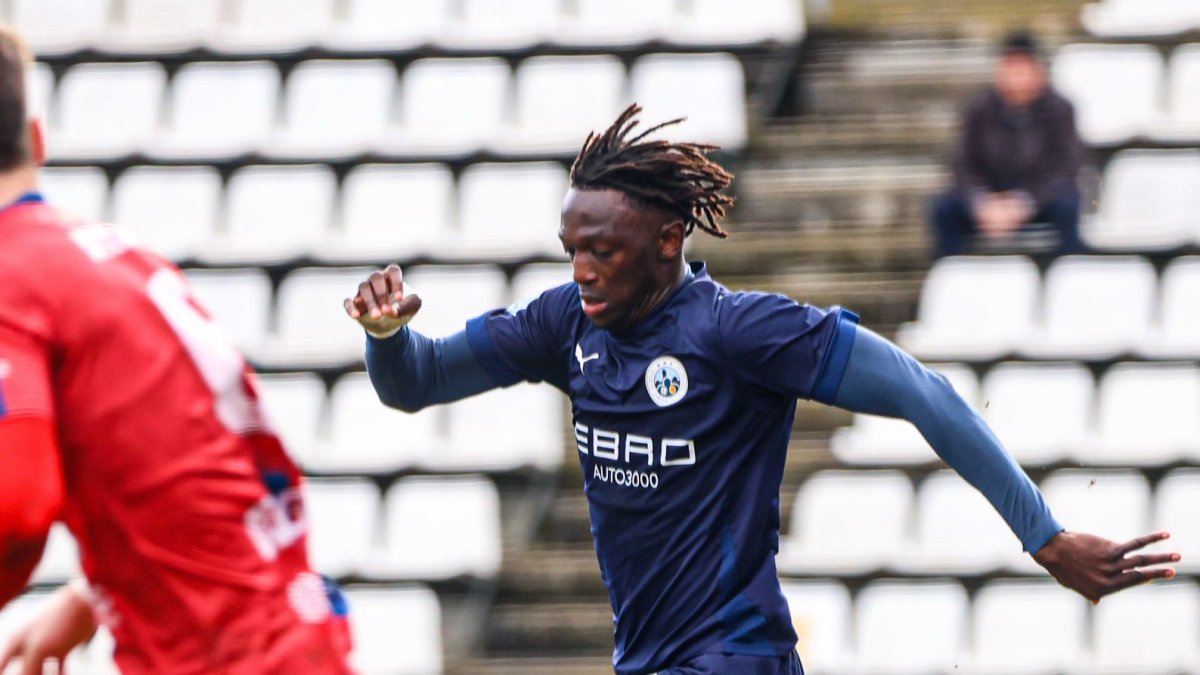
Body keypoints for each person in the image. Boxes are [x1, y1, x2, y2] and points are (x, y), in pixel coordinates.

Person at [346, 104, 1178, 675]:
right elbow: (416, 383)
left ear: (669, 238)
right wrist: (387, 336)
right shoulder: (565, 323)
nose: (583, 268)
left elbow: (924, 392)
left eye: (603, 248)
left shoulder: (739, 332)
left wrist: (1045, 536)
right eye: (572, 247)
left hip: (735, 656)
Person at [0, 27, 352, 674]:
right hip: (284, 629)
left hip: (222, 655)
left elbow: (17, 510)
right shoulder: (114, 258)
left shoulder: (10, 279)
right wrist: (86, 596)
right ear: (39, 141)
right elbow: (188, 455)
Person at [931, 31, 1086, 258]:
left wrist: (1023, 203)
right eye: (1009, 67)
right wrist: (981, 201)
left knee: (1069, 205)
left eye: (1022, 68)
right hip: (990, 201)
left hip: (1040, 201)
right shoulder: (979, 109)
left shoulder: (1060, 110)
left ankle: (1068, 276)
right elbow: (963, 163)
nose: (1016, 77)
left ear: (1038, 71)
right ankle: (953, 276)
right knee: (943, 209)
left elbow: (1066, 166)